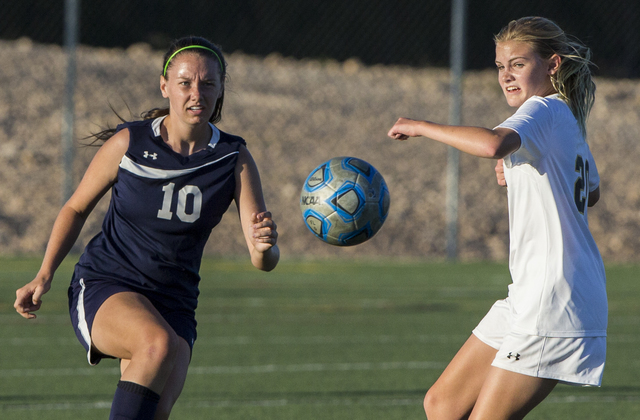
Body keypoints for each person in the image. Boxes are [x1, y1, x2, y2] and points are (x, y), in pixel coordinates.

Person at [14, 36, 280, 420]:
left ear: (221, 89)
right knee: (157, 344)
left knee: (153, 409)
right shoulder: (132, 142)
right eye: (186, 82)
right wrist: (44, 274)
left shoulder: (233, 158)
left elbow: (263, 259)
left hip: (176, 303)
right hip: (108, 284)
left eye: (208, 84)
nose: (196, 94)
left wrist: (265, 246)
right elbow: (75, 207)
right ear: (164, 85)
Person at [388, 17, 606, 420]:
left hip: (554, 299)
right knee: (442, 405)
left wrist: (420, 126)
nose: (506, 75)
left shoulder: (541, 109)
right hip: (528, 295)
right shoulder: (566, 116)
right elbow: (590, 191)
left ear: (553, 65)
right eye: (500, 66)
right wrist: (526, 170)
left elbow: (492, 143)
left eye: (518, 64)